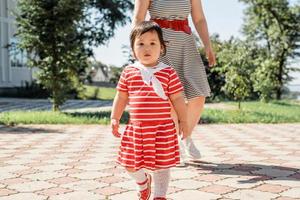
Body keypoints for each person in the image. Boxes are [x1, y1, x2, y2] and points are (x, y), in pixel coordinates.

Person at [110, 21, 188, 200]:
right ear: (133, 49)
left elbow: (177, 99)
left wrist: (183, 120)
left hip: (162, 128)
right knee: (130, 164)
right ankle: (143, 182)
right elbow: (121, 97)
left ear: (162, 48)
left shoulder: (168, 72)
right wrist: (115, 117)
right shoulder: (129, 72)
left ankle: (160, 195)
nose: (147, 48)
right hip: (136, 129)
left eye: (153, 43)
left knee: (162, 166)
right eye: (141, 43)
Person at [132, 0, 216, 163]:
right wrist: (136, 47)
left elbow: (199, 19)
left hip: (185, 44)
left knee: (198, 94)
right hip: (159, 45)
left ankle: (185, 137)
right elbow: (138, 18)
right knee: (168, 97)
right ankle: (175, 146)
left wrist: (208, 46)